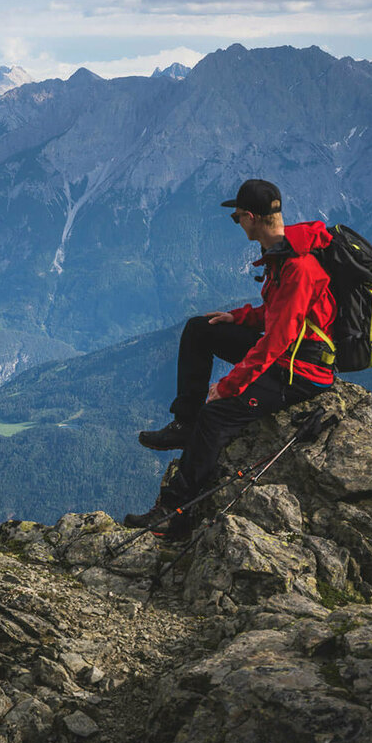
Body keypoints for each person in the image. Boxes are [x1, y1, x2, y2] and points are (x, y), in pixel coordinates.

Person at [123, 179, 336, 538]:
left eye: (236, 217)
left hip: (300, 369)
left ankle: (173, 514)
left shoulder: (298, 267)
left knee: (216, 415)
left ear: (251, 218)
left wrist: (228, 386)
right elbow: (279, 313)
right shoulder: (283, 254)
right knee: (199, 329)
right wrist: (237, 318)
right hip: (288, 352)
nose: (237, 223)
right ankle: (184, 424)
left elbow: (278, 340)